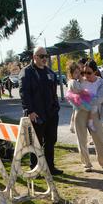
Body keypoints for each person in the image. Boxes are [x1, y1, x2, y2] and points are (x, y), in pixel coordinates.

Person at [20, 47, 62, 175]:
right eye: (41, 56)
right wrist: (30, 111)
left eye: (46, 56)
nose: (44, 58)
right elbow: (24, 94)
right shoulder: (27, 72)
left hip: (51, 114)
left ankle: (50, 167)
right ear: (34, 57)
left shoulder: (50, 72)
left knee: (50, 141)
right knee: (35, 143)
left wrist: (56, 108)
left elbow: (54, 92)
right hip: (36, 115)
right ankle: (35, 169)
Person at [68, 61, 103, 172]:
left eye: (88, 72)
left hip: (94, 114)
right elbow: (71, 97)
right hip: (80, 113)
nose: (85, 75)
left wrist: (83, 100)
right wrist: (82, 101)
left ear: (95, 72)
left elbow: (100, 99)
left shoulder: (101, 83)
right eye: (83, 72)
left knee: (100, 138)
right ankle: (86, 164)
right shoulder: (79, 81)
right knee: (81, 139)